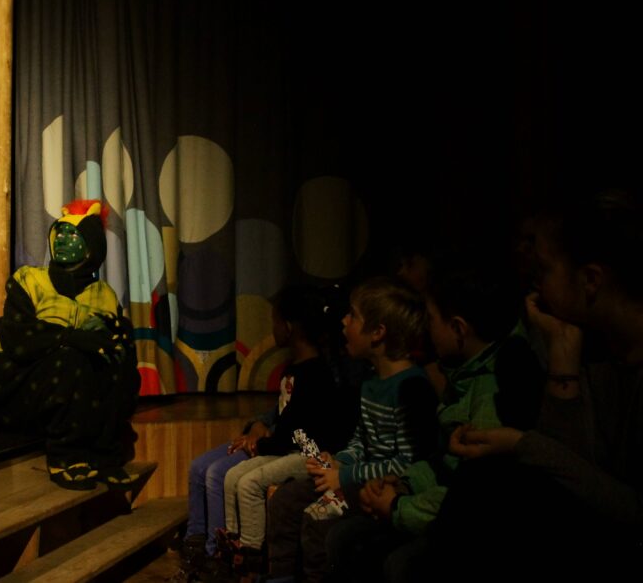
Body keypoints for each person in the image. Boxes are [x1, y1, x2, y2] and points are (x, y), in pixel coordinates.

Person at [434, 188, 643, 580]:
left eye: (543, 269)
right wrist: (562, 347)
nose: (533, 283)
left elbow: (629, 512)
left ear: (591, 280)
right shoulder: (592, 348)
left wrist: (521, 443)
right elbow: (575, 479)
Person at [328, 255, 542, 582]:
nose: (425, 330)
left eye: (431, 320)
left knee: (392, 560)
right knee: (345, 537)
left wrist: (397, 506)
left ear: (457, 328)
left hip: (459, 522)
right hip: (427, 501)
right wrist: (403, 483)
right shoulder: (464, 376)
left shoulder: (489, 393)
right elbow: (441, 464)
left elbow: (468, 495)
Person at [263, 276, 439, 583]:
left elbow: (408, 463)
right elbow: (362, 438)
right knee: (285, 500)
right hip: (358, 475)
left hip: (383, 486)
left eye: (353, 316)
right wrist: (341, 460)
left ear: (378, 333)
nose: (344, 321)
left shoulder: (412, 388)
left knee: (317, 517)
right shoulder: (371, 382)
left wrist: (344, 475)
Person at [178, 286, 355, 580]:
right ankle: (229, 552)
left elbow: (302, 434)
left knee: (248, 482)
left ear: (288, 327)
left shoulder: (316, 374)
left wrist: (264, 444)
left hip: (309, 452)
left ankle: (250, 558)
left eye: (274, 321)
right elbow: (284, 418)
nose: (271, 328)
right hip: (289, 445)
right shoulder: (295, 369)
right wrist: (260, 431)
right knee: (234, 475)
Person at [0, 200, 141, 490]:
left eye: (73, 235)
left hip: (73, 395)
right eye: (59, 234)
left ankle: (103, 457)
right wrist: (71, 337)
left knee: (118, 362)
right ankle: (66, 456)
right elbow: (18, 340)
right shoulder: (29, 280)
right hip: (15, 385)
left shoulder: (105, 295)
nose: (63, 240)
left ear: (92, 246)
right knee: (71, 358)